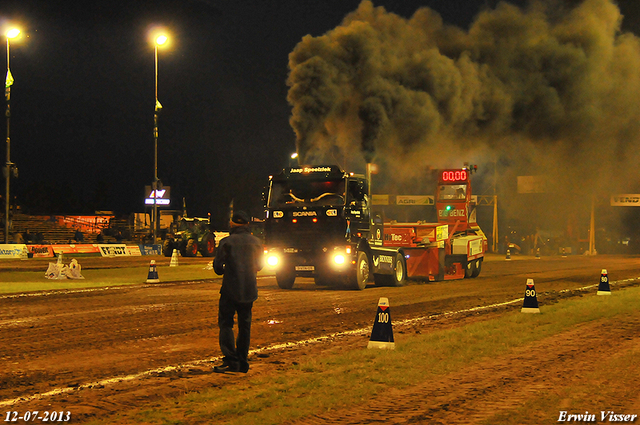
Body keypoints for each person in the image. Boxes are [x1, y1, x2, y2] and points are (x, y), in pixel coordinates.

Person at [213, 210, 263, 373]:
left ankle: (231, 359)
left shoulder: (226, 242)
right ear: (247, 224)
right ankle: (242, 361)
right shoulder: (256, 242)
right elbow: (260, 266)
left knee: (226, 323)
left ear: (233, 224)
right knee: (245, 325)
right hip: (249, 289)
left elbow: (218, 268)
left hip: (229, 289)